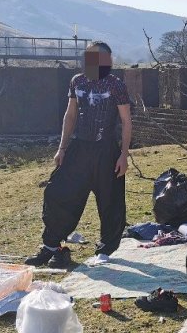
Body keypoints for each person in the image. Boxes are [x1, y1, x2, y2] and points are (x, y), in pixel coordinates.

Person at [26, 41, 131, 269]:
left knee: (110, 200)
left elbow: (125, 121)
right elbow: (70, 115)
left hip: (107, 150)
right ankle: (51, 246)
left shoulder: (116, 85)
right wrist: (62, 148)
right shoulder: (77, 81)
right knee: (58, 191)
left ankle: (106, 249)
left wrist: (124, 154)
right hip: (79, 148)